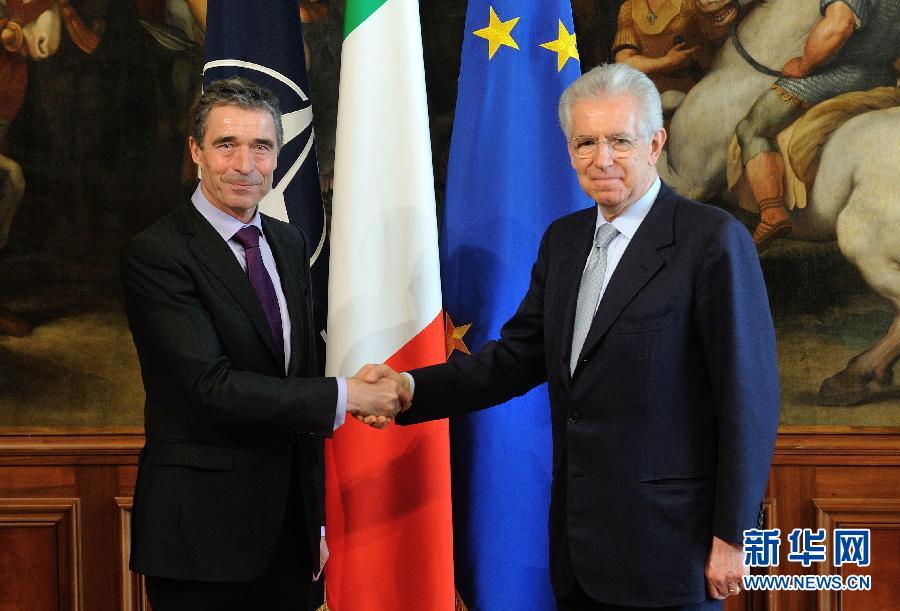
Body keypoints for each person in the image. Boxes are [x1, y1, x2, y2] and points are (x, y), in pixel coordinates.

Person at [361, 63, 781, 609]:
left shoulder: (710, 240)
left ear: (655, 144)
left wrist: (735, 536)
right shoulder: (564, 241)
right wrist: (408, 389)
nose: (601, 159)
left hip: (672, 547)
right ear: (569, 150)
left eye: (619, 141)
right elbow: (514, 359)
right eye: (586, 142)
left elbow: (749, 398)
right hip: (579, 549)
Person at [120, 77, 406, 611]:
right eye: (226, 144)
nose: (245, 164)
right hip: (201, 539)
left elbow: (297, 377)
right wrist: (348, 394)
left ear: (277, 155)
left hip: (289, 536)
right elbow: (211, 388)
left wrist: (315, 521)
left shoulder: (287, 242)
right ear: (195, 151)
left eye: (262, 146)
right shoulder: (158, 254)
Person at [734, 0, 899, 251]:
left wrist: (803, 66)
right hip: (881, 78)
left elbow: (839, 25)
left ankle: (772, 213)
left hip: (836, 77)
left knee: (752, 127)